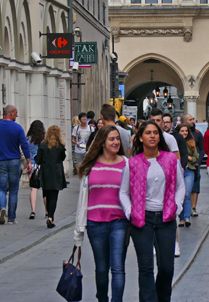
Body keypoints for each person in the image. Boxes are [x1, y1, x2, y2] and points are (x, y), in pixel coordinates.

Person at [120, 120, 185, 302]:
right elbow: (124, 192)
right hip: (142, 219)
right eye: (148, 133)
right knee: (146, 267)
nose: (152, 136)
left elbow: (180, 187)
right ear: (140, 137)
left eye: (155, 133)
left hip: (166, 219)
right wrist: (130, 211)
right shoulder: (133, 163)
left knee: (166, 267)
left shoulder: (171, 159)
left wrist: (177, 207)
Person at [74, 126, 129, 302]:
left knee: (117, 267)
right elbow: (83, 198)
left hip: (120, 222)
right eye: (112, 139)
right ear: (102, 143)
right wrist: (78, 231)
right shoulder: (90, 166)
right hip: (95, 223)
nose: (116, 142)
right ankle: (102, 299)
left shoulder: (126, 164)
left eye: (117, 138)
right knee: (101, 268)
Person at [0, 105, 31, 225]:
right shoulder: (18, 128)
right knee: (14, 189)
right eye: (16, 113)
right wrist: (29, 161)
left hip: (0, 161)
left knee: (1, 188)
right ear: (10, 113)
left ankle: (2, 207)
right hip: (15, 161)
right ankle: (11, 218)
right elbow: (24, 145)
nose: (17, 115)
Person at [35, 125, 67, 229]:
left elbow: (38, 160)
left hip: (45, 173)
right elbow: (62, 158)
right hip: (56, 173)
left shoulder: (43, 145)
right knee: (54, 196)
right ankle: (50, 217)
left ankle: (49, 215)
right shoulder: (60, 146)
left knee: (46, 195)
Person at [178, 124, 198, 228]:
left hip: (189, 170)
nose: (184, 133)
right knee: (180, 195)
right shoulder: (175, 142)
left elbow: (196, 157)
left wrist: (188, 158)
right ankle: (181, 219)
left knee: (187, 194)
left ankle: (187, 218)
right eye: (182, 131)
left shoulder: (191, 142)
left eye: (186, 131)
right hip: (178, 171)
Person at [182, 115, 203, 218]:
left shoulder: (197, 134)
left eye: (193, 119)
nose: (192, 121)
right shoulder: (178, 136)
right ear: (184, 122)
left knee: (194, 187)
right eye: (190, 120)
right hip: (181, 167)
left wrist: (198, 162)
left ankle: (193, 207)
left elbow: (202, 149)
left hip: (193, 165)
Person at [26, 120, 45, 220]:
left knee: (33, 188)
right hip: (43, 165)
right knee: (45, 189)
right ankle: (47, 211)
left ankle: (33, 210)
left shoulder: (28, 139)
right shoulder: (44, 138)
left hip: (32, 165)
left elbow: (26, 152)